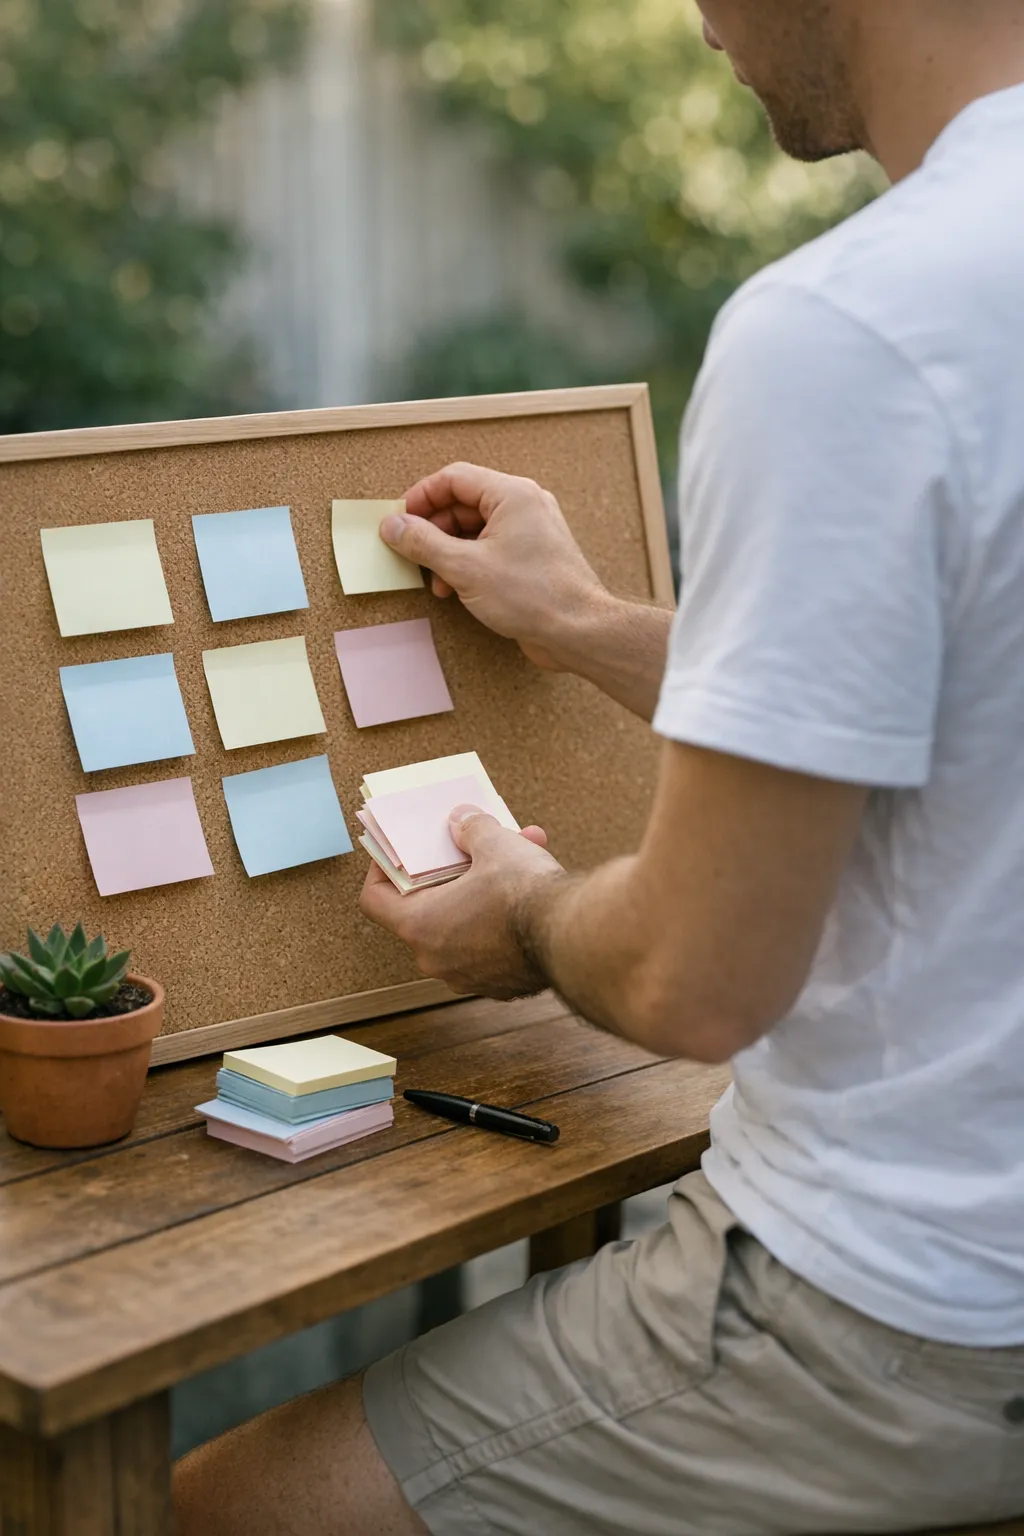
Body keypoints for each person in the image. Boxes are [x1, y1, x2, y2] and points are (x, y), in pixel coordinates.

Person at [173, 1, 1024, 1531]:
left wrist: (514, 914)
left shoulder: (849, 329)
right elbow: (962, 704)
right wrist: (584, 627)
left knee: (220, 1507)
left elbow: (699, 986)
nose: (700, 20)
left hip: (910, 1313)